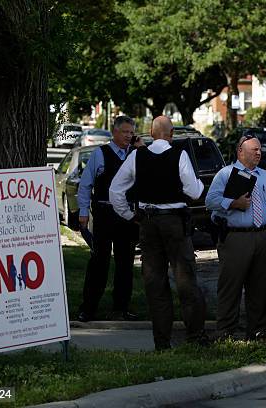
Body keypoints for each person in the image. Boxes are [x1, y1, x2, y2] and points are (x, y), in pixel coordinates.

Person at [109, 116, 207, 350]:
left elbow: (115, 190)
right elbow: (194, 191)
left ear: (151, 134)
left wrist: (130, 215)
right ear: (171, 134)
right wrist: (200, 185)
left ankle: (162, 342)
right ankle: (195, 337)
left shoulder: (136, 156)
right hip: (174, 222)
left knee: (155, 282)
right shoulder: (179, 155)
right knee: (186, 280)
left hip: (148, 223)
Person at [205, 135, 266, 340]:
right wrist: (233, 203)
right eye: (254, 149)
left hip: (263, 236)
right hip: (236, 238)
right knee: (230, 287)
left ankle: (257, 331)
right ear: (240, 151)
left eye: (259, 150)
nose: (258, 153)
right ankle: (225, 333)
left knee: (259, 288)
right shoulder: (225, 174)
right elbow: (210, 201)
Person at [76, 115, 142, 322]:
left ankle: (121, 308)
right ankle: (88, 308)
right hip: (104, 214)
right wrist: (83, 212)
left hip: (128, 217)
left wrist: (140, 149)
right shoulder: (100, 153)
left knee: (125, 264)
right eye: (125, 132)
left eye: (131, 133)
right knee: (99, 262)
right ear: (114, 132)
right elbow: (85, 184)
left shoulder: (137, 154)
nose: (128, 136)